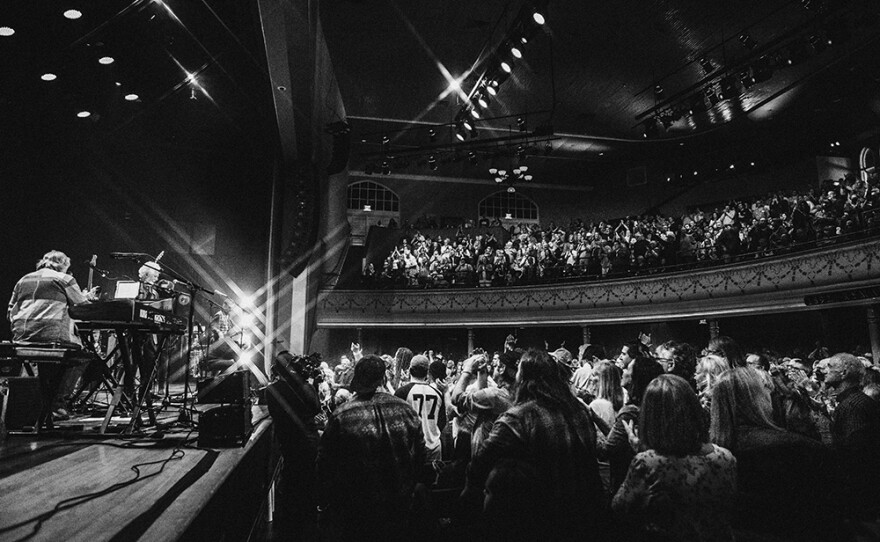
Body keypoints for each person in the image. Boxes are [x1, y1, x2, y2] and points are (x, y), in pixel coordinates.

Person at [466, 349, 607, 541]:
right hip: (587, 515)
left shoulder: (518, 417)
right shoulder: (580, 409)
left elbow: (480, 462)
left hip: (544, 518)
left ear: (523, 378)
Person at [709, 367, 840, 540]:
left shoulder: (710, 451)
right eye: (764, 389)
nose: (770, 394)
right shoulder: (796, 447)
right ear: (755, 398)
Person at [613, 374, 737, 542]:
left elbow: (620, 508)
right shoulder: (725, 457)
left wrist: (640, 452)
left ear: (650, 417)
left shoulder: (648, 462)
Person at [316, 355, 426, 540]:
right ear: (383, 378)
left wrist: (327, 501)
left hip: (356, 507)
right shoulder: (406, 410)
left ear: (356, 377)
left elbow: (325, 463)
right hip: (398, 504)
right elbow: (420, 453)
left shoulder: (342, 415)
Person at [7, 250, 97, 421]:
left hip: (21, 339)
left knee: (40, 361)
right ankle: (57, 406)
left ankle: (31, 405)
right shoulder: (65, 279)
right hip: (52, 337)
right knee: (83, 357)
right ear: (64, 266)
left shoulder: (24, 279)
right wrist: (87, 297)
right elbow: (83, 308)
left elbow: (10, 312)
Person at [265, 352, 323, 539]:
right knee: (309, 488)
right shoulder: (305, 387)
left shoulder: (272, 390)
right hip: (310, 443)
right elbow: (315, 408)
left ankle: (289, 531)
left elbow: (276, 413)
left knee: (291, 488)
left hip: (289, 444)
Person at [821, 353, 880, 520]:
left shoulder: (852, 406)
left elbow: (855, 453)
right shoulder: (855, 401)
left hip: (860, 492)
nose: (825, 370)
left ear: (844, 372)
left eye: (830, 366)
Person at [596, 356, 664, 494]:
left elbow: (607, 450)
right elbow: (619, 436)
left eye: (627, 368)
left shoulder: (630, 412)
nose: (623, 371)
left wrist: (586, 430)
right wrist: (595, 417)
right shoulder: (651, 405)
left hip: (626, 479)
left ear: (636, 378)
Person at [451, 349, 516, 454]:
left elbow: (456, 398)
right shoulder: (517, 395)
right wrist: (482, 371)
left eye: (496, 365)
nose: (493, 368)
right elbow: (485, 401)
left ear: (502, 368)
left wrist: (466, 371)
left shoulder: (494, 395)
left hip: (484, 458)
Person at [395, 354, 447, 461]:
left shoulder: (402, 392)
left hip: (411, 447)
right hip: (434, 444)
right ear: (427, 372)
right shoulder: (438, 393)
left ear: (410, 370)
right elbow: (442, 422)